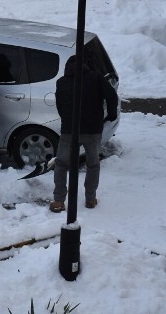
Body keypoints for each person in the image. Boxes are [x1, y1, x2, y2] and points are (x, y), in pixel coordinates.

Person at [49, 55, 119, 213]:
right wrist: (111, 115)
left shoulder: (61, 82)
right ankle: (90, 198)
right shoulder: (96, 78)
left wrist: (68, 119)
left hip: (69, 131)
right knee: (92, 164)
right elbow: (111, 95)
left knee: (61, 164)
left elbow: (60, 105)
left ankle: (59, 201)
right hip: (93, 130)